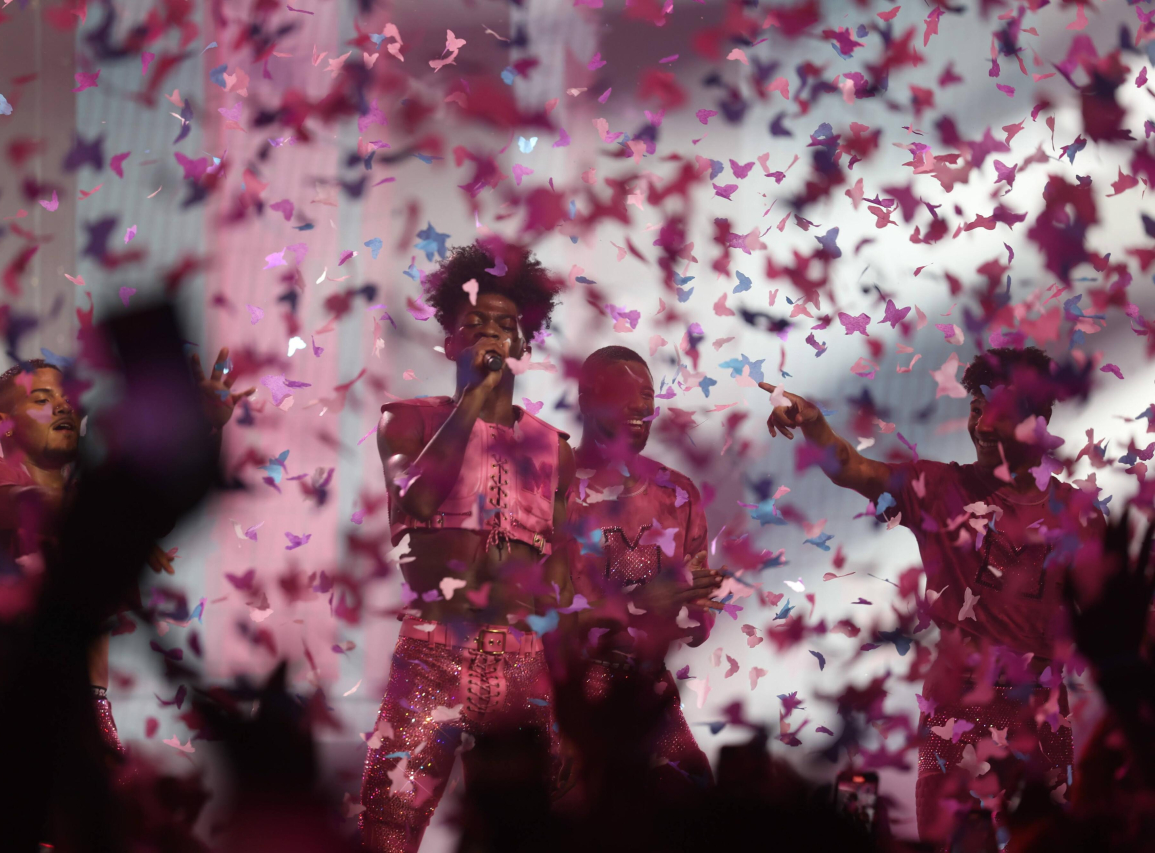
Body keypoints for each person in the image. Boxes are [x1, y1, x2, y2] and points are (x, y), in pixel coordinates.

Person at [759, 346, 1104, 848]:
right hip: (954, 711)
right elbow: (851, 467)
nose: (983, 426)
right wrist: (814, 423)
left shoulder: (1078, 516)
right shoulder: (939, 487)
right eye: (976, 409)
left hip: (1041, 718)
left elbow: (1112, 628)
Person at [360, 241, 574, 852]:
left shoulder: (556, 449)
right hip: (433, 653)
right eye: (476, 321)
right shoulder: (405, 421)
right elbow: (418, 501)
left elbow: (559, 585)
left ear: (523, 344)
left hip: (524, 665)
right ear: (450, 338)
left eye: (506, 325)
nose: (492, 334)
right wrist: (474, 402)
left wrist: (569, 712)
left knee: (522, 835)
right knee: (387, 826)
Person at [0, 350, 251, 755]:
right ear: (3, 424)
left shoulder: (95, 502)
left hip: (89, 718)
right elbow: (24, 505)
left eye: (68, 398)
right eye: (42, 399)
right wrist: (117, 513)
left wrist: (202, 427)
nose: (63, 406)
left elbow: (162, 506)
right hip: (6, 719)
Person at [560, 346, 722, 796]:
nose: (638, 406)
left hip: (647, 690)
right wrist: (637, 605)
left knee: (697, 803)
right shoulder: (553, 487)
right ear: (585, 399)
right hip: (565, 694)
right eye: (621, 392)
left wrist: (692, 606)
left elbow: (697, 624)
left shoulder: (677, 493)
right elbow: (533, 617)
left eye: (647, 396)